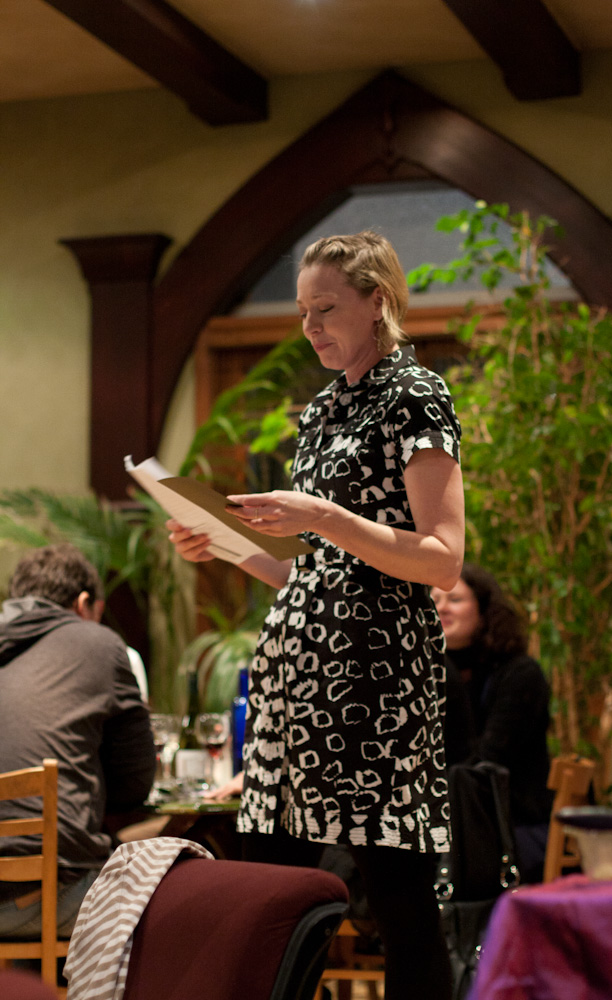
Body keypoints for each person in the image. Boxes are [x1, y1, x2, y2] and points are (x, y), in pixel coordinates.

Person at [168, 230, 465, 1000]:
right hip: (295, 678)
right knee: (267, 888)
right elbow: (309, 572)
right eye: (302, 312)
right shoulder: (325, 408)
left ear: (378, 301)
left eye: (325, 308)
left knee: (397, 900)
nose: (310, 327)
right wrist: (224, 547)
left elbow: (440, 557)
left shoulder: (415, 394)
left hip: (375, 679)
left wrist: (326, 516)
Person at [0, 543, 155, 938]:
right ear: (85, 603)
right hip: (49, 895)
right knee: (175, 895)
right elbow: (135, 782)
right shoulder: (98, 643)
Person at [431, 563, 553, 883]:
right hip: (449, 825)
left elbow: (486, 765)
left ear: (485, 611)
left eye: (454, 599)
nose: (442, 607)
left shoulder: (520, 674)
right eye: (435, 600)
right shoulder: (425, 673)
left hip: (512, 825)